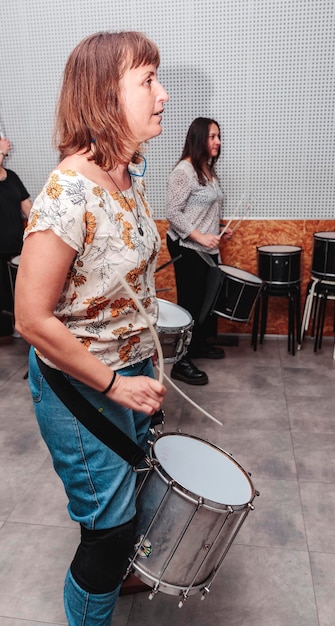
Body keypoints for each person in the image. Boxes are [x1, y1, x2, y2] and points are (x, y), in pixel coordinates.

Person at [14, 31, 168, 625]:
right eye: (148, 81)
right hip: (80, 385)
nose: (163, 94)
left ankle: (123, 571)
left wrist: (143, 371)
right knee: (107, 534)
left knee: (131, 499)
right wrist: (114, 384)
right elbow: (31, 318)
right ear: (106, 95)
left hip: (129, 372)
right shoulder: (68, 190)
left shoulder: (129, 176)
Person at [166, 117, 232, 385]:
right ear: (199, 138)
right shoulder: (185, 170)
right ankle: (180, 362)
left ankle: (198, 345)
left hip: (205, 244)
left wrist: (219, 229)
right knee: (190, 302)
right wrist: (199, 236)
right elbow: (173, 212)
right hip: (187, 246)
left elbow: (205, 209)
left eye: (218, 136)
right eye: (212, 136)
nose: (218, 142)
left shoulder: (207, 170)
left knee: (207, 300)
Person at [0, 137, 32, 335]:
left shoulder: (11, 176)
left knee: (21, 293)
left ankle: (22, 328)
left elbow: (28, 207)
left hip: (17, 247)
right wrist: (1, 151)